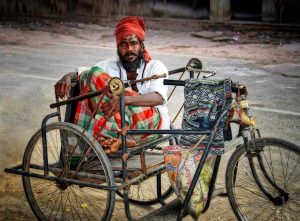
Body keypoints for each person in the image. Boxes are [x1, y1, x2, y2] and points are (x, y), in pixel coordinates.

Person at [55, 16, 170, 153]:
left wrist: (124, 100)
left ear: (141, 45)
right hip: (121, 126)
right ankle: (114, 139)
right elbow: (84, 73)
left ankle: (116, 138)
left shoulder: (155, 66)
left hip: (151, 125)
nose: (129, 49)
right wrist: (67, 77)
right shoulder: (110, 66)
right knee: (91, 75)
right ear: (118, 48)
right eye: (123, 45)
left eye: (133, 43)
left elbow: (158, 97)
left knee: (118, 96)